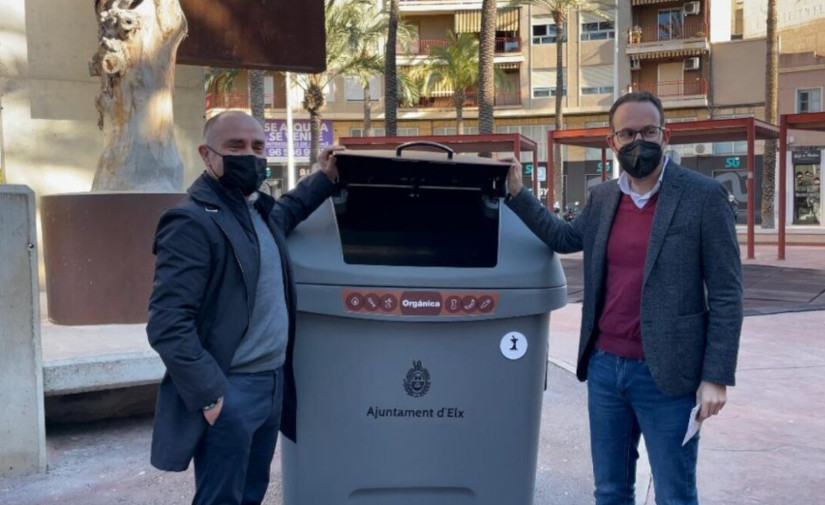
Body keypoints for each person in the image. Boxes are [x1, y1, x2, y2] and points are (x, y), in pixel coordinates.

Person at [504, 91, 743, 505]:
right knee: (611, 491)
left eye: (648, 131)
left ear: (664, 135)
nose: (639, 142)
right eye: (628, 133)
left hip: (669, 377)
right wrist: (517, 194)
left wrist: (716, 376)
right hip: (605, 370)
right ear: (612, 141)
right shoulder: (602, 197)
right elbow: (564, 237)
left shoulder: (703, 197)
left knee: (675, 495)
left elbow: (726, 293)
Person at [146, 110, 341, 505]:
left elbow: (292, 207)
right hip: (230, 389)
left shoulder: (260, 214)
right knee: (222, 498)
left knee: (251, 493)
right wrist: (212, 396)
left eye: (257, 147)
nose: (250, 156)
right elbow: (167, 323)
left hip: (271, 385)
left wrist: (326, 176)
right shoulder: (191, 222)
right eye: (235, 146)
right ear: (207, 154)